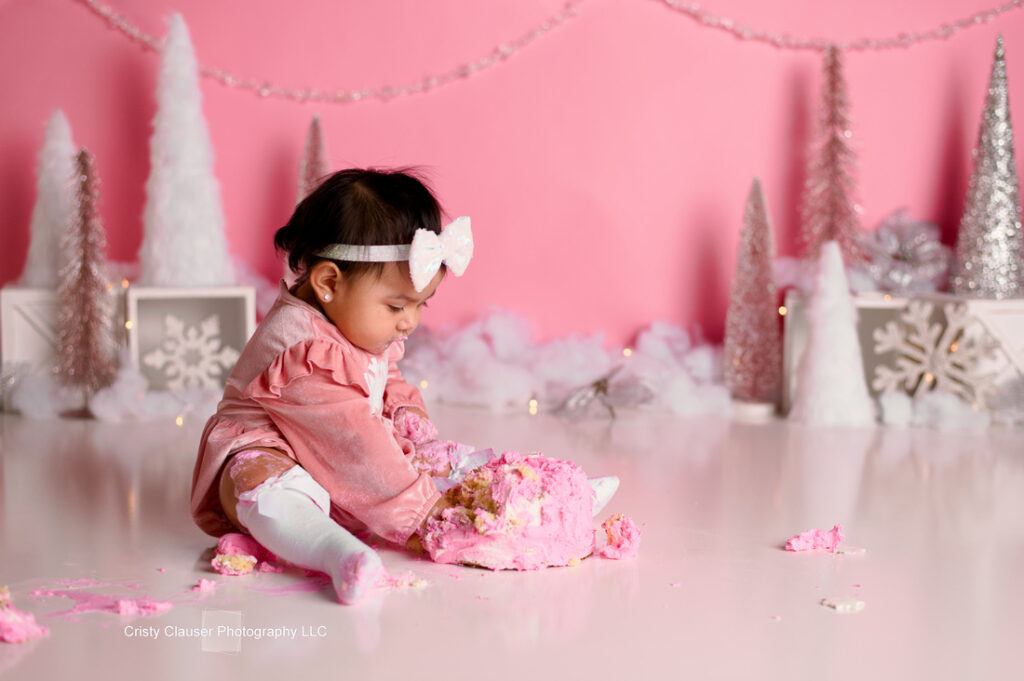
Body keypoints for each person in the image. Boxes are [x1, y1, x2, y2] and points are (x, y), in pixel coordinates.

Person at [190, 168, 473, 604]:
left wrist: (403, 413)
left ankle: (512, 491)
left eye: (421, 304)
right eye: (398, 304)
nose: (410, 321)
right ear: (327, 283)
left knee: (433, 456)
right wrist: (424, 512)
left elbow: (382, 374)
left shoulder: (357, 321)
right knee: (267, 489)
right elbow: (355, 445)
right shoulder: (304, 351)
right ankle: (337, 553)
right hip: (275, 448)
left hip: (339, 449)